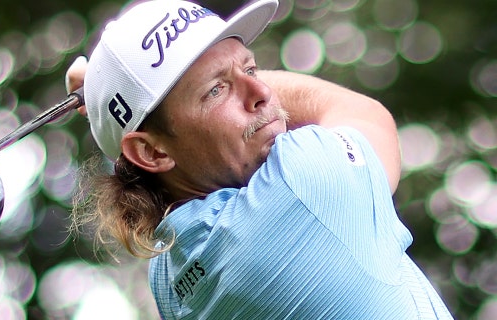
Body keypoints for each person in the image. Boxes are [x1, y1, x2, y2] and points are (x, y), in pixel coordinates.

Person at [66, 0, 454, 318]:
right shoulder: (301, 185)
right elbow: (365, 116)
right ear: (152, 151)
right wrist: (109, 86)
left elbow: (134, 165)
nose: (263, 90)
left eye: (250, 67)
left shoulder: (168, 276)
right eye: (217, 89)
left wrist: (115, 93)